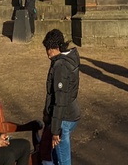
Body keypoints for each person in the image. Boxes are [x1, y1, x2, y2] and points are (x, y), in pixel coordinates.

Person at [42, 29, 80, 165]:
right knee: (49, 156)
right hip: (68, 115)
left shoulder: (60, 67)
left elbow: (60, 100)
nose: (47, 54)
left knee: (64, 160)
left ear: (56, 48)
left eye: (49, 49)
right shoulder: (69, 59)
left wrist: (55, 131)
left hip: (63, 119)